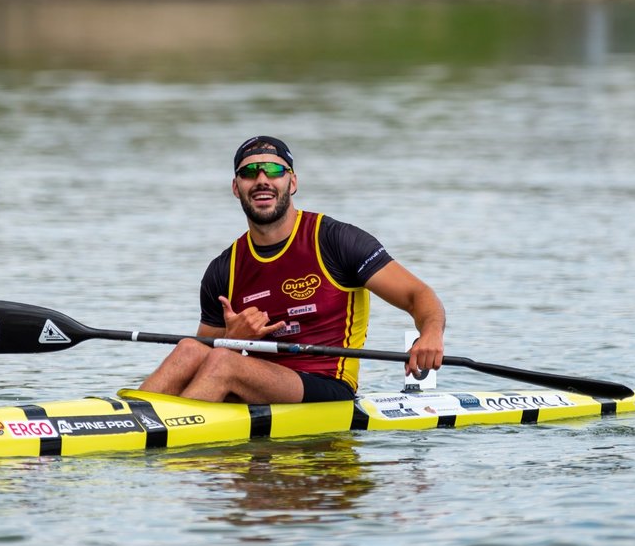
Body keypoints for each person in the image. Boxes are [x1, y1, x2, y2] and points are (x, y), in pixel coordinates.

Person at [141, 135, 445, 404]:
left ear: (293, 182)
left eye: (274, 170)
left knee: (222, 361)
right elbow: (204, 356)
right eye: (249, 172)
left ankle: (167, 448)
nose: (261, 179)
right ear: (236, 188)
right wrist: (233, 337)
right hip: (251, 380)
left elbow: (418, 295)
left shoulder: (335, 241)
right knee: (190, 350)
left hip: (328, 385)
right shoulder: (224, 268)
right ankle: (126, 419)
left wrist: (430, 334)